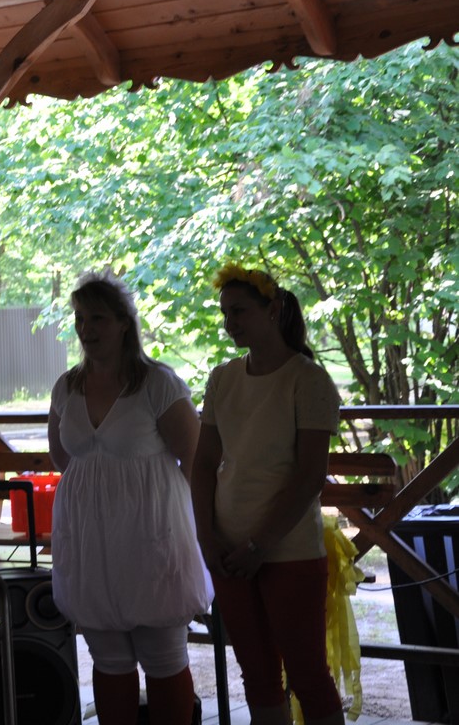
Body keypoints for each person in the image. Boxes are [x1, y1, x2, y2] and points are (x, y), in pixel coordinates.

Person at [47, 272, 210, 725]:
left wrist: (204, 531)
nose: (86, 328)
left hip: (152, 536)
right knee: (108, 658)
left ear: (123, 323)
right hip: (90, 540)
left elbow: (196, 460)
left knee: (164, 655)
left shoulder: (157, 383)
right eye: (80, 318)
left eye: (97, 318)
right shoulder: (67, 386)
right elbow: (62, 457)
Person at [191, 264, 344, 725]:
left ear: (273, 310)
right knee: (257, 675)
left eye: (239, 311)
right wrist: (206, 537)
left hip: (288, 550)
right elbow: (203, 463)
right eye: (224, 313)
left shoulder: (308, 379)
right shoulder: (222, 377)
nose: (229, 323)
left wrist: (260, 545)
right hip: (228, 551)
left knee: (307, 674)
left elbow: (310, 476)